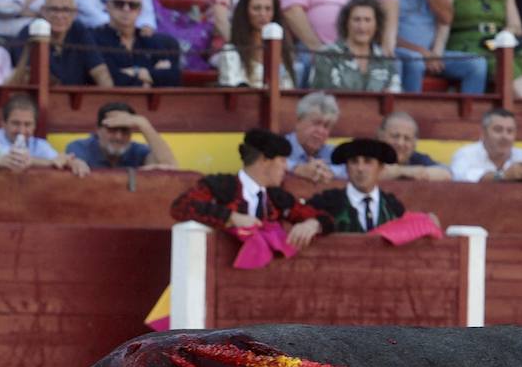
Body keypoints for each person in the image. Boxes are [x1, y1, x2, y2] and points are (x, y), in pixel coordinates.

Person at [170, 128, 331, 250]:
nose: (285, 167)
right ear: (265, 160)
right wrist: (231, 217)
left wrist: (313, 224)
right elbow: (181, 207)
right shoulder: (221, 187)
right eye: (281, 160)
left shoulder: (277, 197)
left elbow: (325, 217)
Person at [376, 0, 487, 94]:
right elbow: (380, 33)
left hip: (433, 52)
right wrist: (421, 52)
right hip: (399, 51)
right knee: (415, 62)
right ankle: (408, 114)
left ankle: (471, 115)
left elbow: (446, 17)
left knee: (477, 64)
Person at [279, 0, 398, 74]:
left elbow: (390, 1)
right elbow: (292, 11)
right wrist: (319, 49)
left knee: (400, 62)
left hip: (361, 48)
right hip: (315, 46)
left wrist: (388, 42)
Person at [9, 0, 112, 85]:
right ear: (43, 11)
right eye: (54, 9)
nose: (59, 15)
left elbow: (100, 71)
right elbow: (26, 76)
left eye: (66, 10)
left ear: (75, 13)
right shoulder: (30, 32)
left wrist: (110, 99)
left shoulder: (79, 31)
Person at [304, 138, 406, 233]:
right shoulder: (326, 202)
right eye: (354, 162)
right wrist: (314, 223)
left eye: (368, 161)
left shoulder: (393, 207)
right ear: (347, 168)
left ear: (380, 168)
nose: (360, 168)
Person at [93, 0, 180, 87]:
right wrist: (148, 80)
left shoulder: (150, 40)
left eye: (132, 5)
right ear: (108, 6)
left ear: (140, 10)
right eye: (119, 4)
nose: (126, 9)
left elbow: (173, 77)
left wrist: (136, 72)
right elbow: (110, 79)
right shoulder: (93, 38)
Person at [309, 0, 402, 90]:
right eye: (356, 20)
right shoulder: (327, 55)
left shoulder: (384, 60)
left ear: (376, 25)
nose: (362, 27)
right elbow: (320, 97)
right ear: (346, 23)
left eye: (367, 20)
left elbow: (396, 97)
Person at [450, 106, 522, 182]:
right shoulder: (466, 153)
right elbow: (459, 177)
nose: (505, 137)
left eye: (510, 131)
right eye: (498, 130)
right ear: (484, 132)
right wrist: (503, 177)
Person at [0, 92, 89, 174]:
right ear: (3, 124)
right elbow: (16, 160)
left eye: (27, 124)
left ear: (34, 126)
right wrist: (50, 162)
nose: (21, 130)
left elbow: (58, 160)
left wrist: (73, 162)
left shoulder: (39, 145)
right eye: (15, 123)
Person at [218, 0, 295, 87]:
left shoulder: (285, 51)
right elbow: (232, 93)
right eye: (256, 8)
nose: (262, 14)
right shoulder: (231, 52)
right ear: (245, 12)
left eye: (268, 9)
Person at [64, 100, 178, 169]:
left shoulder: (138, 150)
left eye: (125, 130)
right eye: (112, 130)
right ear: (98, 130)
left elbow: (170, 166)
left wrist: (144, 124)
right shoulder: (80, 147)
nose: (119, 136)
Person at [287, 91, 345, 182]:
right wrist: (297, 168)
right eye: (315, 123)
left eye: (326, 126)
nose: (320, 131)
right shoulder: (280, 147)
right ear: (298, 122)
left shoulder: (332, 153)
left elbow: (352, 168)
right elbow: (271, 163)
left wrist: (331, 171)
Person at [378, 111, 451, 180]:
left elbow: (446, 174)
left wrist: (402, 172)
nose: (400, 143)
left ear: (414, 144)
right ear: (381, 136)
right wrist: (405, 172)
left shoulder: (415, 157)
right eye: (395, 136)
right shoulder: (371, 153)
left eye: (407, 139)